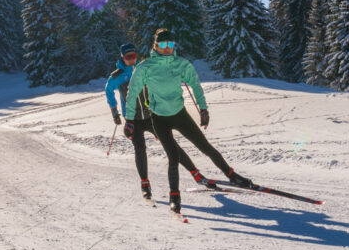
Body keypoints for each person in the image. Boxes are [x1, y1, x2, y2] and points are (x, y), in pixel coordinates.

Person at [123, 28, 253, 214]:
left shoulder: (181, 64)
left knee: (205, 146)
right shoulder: (145, 67)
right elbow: (132, 93)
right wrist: (129, 120)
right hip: (159, 119)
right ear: (156, 45)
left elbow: (195, 86)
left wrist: (203, 108)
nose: (167, 48)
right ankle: (174, 197)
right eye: (163, 44)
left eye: (170, 44)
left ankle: (232, 175)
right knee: (173, 157)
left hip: (180, 114)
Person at [105, 42, 216, 200]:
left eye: (134, 56)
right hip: (133, 120)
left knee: (172, 147)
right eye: (128, 57)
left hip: (152, 115)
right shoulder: (117, 75)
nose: (132, 59)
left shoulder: (146, 67)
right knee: (140, 149)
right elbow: (108, 90)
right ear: (122, 57)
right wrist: (114, 111)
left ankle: (196, 174)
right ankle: (145, 183)